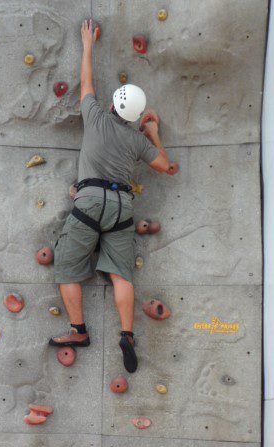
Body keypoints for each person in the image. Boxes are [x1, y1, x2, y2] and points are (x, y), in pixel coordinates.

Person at [49, 19, 178, 373]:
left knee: (67, 268)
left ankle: (79, 331)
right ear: (135, 117)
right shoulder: (137, 140)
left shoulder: (94, 116)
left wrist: (88, 44)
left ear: (112, 107)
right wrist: (152, 134)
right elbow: (166, 166)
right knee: (121, 275)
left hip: (89, 201)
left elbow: (87, 82)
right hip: (122, 205)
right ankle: (127, 334)